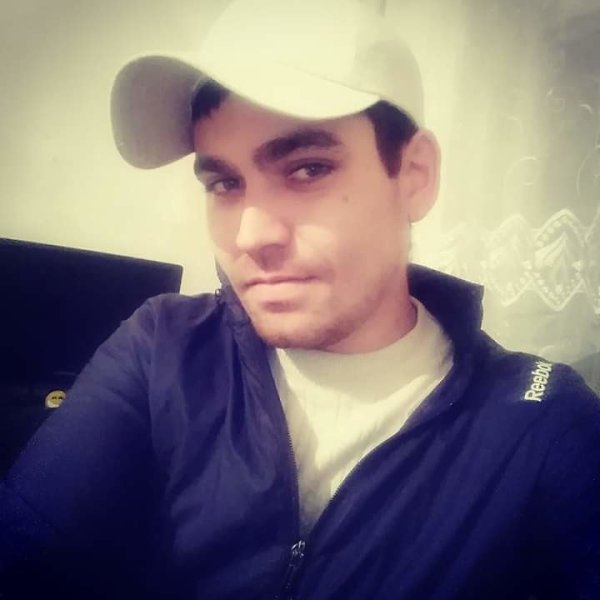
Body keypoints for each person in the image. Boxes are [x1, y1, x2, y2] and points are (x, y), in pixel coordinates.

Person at [2, 0, 600, 598]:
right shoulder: (164, 348)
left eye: (308, 169)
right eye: (224, 183)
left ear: (414, 175)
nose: (250, 236)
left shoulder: (541, 422)